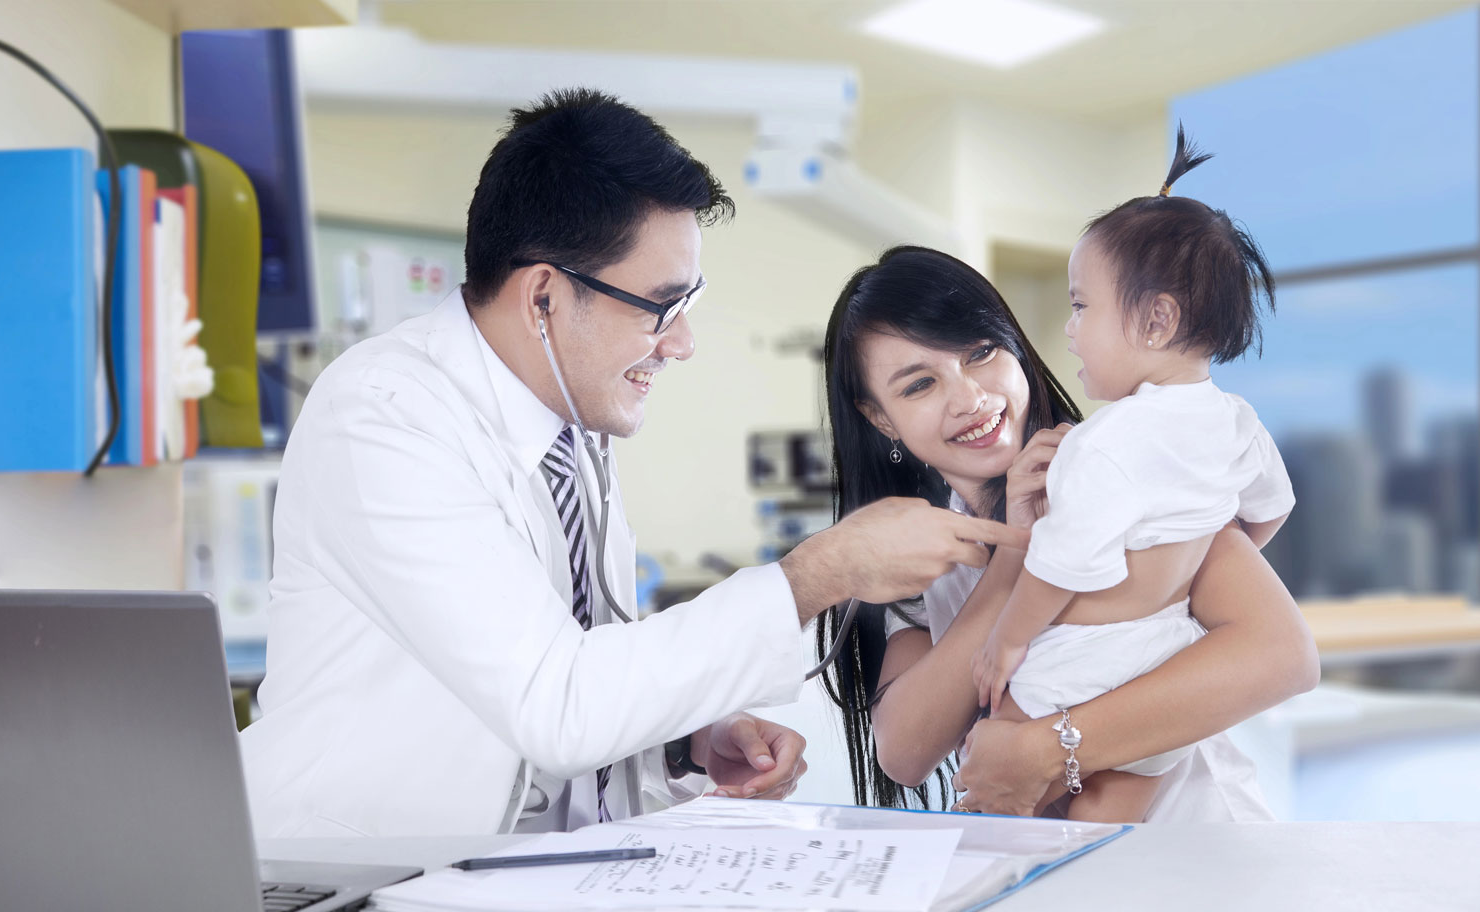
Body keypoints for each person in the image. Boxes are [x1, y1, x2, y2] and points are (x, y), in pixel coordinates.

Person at [240, 90, 1022, 838]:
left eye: (688, 304)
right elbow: (557, 702)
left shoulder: (571, 430)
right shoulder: (385, 414)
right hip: (368, 887)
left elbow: (590, 664)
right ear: (543, 296)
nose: (680, 342)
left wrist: (683, 741)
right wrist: (820, 572)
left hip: (536, 880)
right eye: (659, 305)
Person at [820, 244, 1319, 820]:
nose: (970, 398)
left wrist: (1045, 750)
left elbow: (1284, 656)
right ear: (880, 417)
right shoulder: (915, 553)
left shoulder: (1127, 468)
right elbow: (904, 752)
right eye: (918, 385)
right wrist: (1017, 552)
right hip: (1069, 879)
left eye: (982, 353)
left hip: (1196, 852)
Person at [969, 128, 1295, 823]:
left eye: (1081, 305)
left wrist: (1010, 638)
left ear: (1155, 320)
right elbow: (1270, 510)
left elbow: (1064, 562)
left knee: (998, 794)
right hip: (1165, 665)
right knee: (1107, 843)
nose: (1068, 329)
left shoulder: (1107, 438)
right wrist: (1197, 542)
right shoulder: (1237, 423)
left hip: (1078, 666)